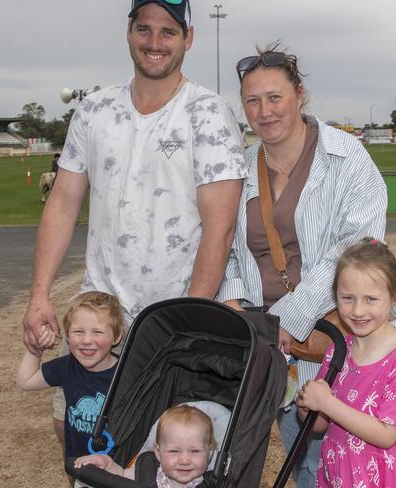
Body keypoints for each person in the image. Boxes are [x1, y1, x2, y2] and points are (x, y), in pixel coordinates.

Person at [23, 0, 246, 449]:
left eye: (168, 32)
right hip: (101, 316)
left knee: (165, 452)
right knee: (77, 435)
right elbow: (63, 204)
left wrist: (187, 322)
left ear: (189, 37)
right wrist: (39, 295)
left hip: (173, 322)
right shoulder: (94, 111)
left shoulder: (208, 114)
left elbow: (218, 228)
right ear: (129, 31)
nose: (155, 43)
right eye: (145, 29)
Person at [216, 43, 396, 487]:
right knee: (251, 458)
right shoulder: (240, 167)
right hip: (259, 340)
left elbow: (357, 249)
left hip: (330, 339)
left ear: (299, 94)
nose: (264, 111)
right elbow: (225, 246)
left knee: (327, 466)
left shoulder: (347, 157)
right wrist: (230, 301)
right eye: (252, 100)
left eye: (274, 97)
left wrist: (292, 316)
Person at [296, 238, 396, 487]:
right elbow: (321, 425)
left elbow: (386, 435)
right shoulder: (337, 352)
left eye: (370, 299)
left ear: (395, 297)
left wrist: (328, 404)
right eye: (347, 298)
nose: (357, 310)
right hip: (339, 473)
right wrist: (308, 409)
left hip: (381, 478)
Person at [16, 291, 123, 461]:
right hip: (78, 463)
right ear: (67, 336)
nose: (87, 340)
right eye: (78, 332)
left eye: (97, 332)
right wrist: (37, 348)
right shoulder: (66, 366)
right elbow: (25, 381)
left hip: (115, 467)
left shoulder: (126, 373)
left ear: (116, 337)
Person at [75, 404, 216, 487]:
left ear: (209, 452)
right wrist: (107, 464)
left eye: (195, 451)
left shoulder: (212, 483)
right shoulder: (147, 467)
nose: (185, 460)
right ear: (158, 453)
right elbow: (122, 477)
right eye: (174, 451)